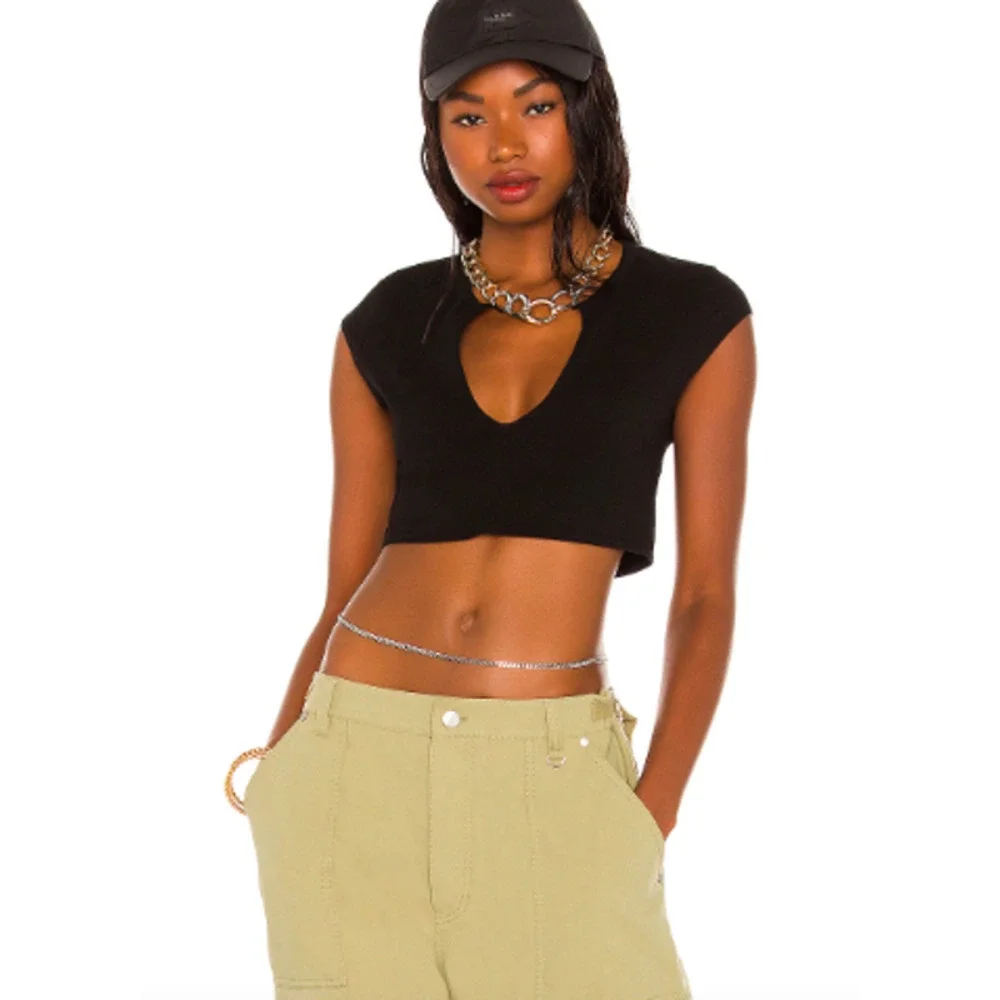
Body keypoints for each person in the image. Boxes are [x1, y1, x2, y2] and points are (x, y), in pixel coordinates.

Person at [224, 1, 756, 997]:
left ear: (586, 110)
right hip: (350, 765)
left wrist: (652, 812)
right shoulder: (386, 320)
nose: (503, 144)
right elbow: (342, 585)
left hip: (551, 776)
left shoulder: (693, 315)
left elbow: (705, 595)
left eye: (535, 105)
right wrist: (283, 775)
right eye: (466, 116)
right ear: (435, 137)